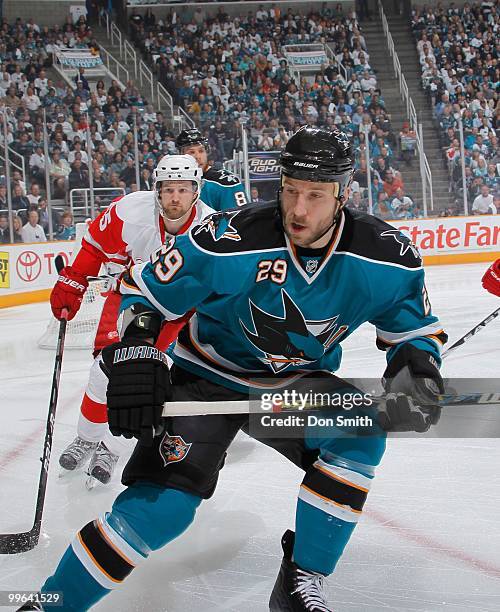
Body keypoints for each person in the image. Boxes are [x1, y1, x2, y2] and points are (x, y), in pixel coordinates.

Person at [36, 127, 446, 612]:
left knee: (359, 433)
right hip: (205, 375)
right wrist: (139, 346)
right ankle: (50, 603)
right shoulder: (227, 237)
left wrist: (418, 367)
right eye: (291, 190)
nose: (298, 209)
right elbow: (144, 293)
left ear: (344, 193)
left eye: (315, 196)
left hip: (289, 387)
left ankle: (300, 581)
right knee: (164, 509)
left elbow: (412, 330)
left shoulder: (388, 255)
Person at [52, 155, 215, 487]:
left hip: (179, 312)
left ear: (196, 191)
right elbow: (94, 244)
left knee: (147, 380)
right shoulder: (130, 212)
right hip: (130, 295)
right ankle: (87, 438)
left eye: (183, 189)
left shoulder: (211, 228)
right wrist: (73, 279)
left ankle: (111, 447)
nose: (175, 197)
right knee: (104, 372)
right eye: (168, 189)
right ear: (156, 189)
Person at [176, 128, 248, 211]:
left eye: (201, 151)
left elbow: (239, 219)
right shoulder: (171, 183)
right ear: (180, 155)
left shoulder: (225, 182)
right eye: (191, 152)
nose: (198, 157)